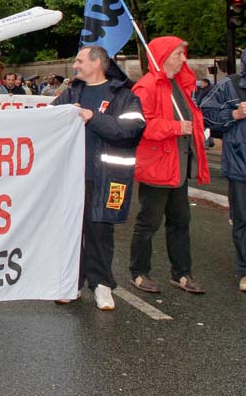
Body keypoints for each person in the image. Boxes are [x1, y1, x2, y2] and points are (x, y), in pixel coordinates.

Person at [54, 46, 146, 310]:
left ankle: (102, 284)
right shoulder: (71, 93)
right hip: (72, 177)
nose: (75, 65)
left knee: (101, 232)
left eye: (80, 60)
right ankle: (73, 283)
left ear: (97, 63)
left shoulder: (126, 97)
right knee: (71, 231)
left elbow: (130, 130)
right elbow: (46, 119)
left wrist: (92, 117)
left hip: (108, 178)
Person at [129, 36, 209, 295]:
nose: (183, 59)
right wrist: (175, 127)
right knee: (149, 222)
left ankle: (182, 273)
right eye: (178, 54)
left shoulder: (180, 85)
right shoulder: (146, 87)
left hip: (178, 166)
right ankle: (139, 272)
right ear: (162, 56)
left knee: (181, 220)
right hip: (157, 167)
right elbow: (139, 126)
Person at [198, 43, 246, 293]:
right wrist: (234, 114)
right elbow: (204, 114)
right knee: (244, 219)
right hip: (242, 166)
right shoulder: (230, 85)